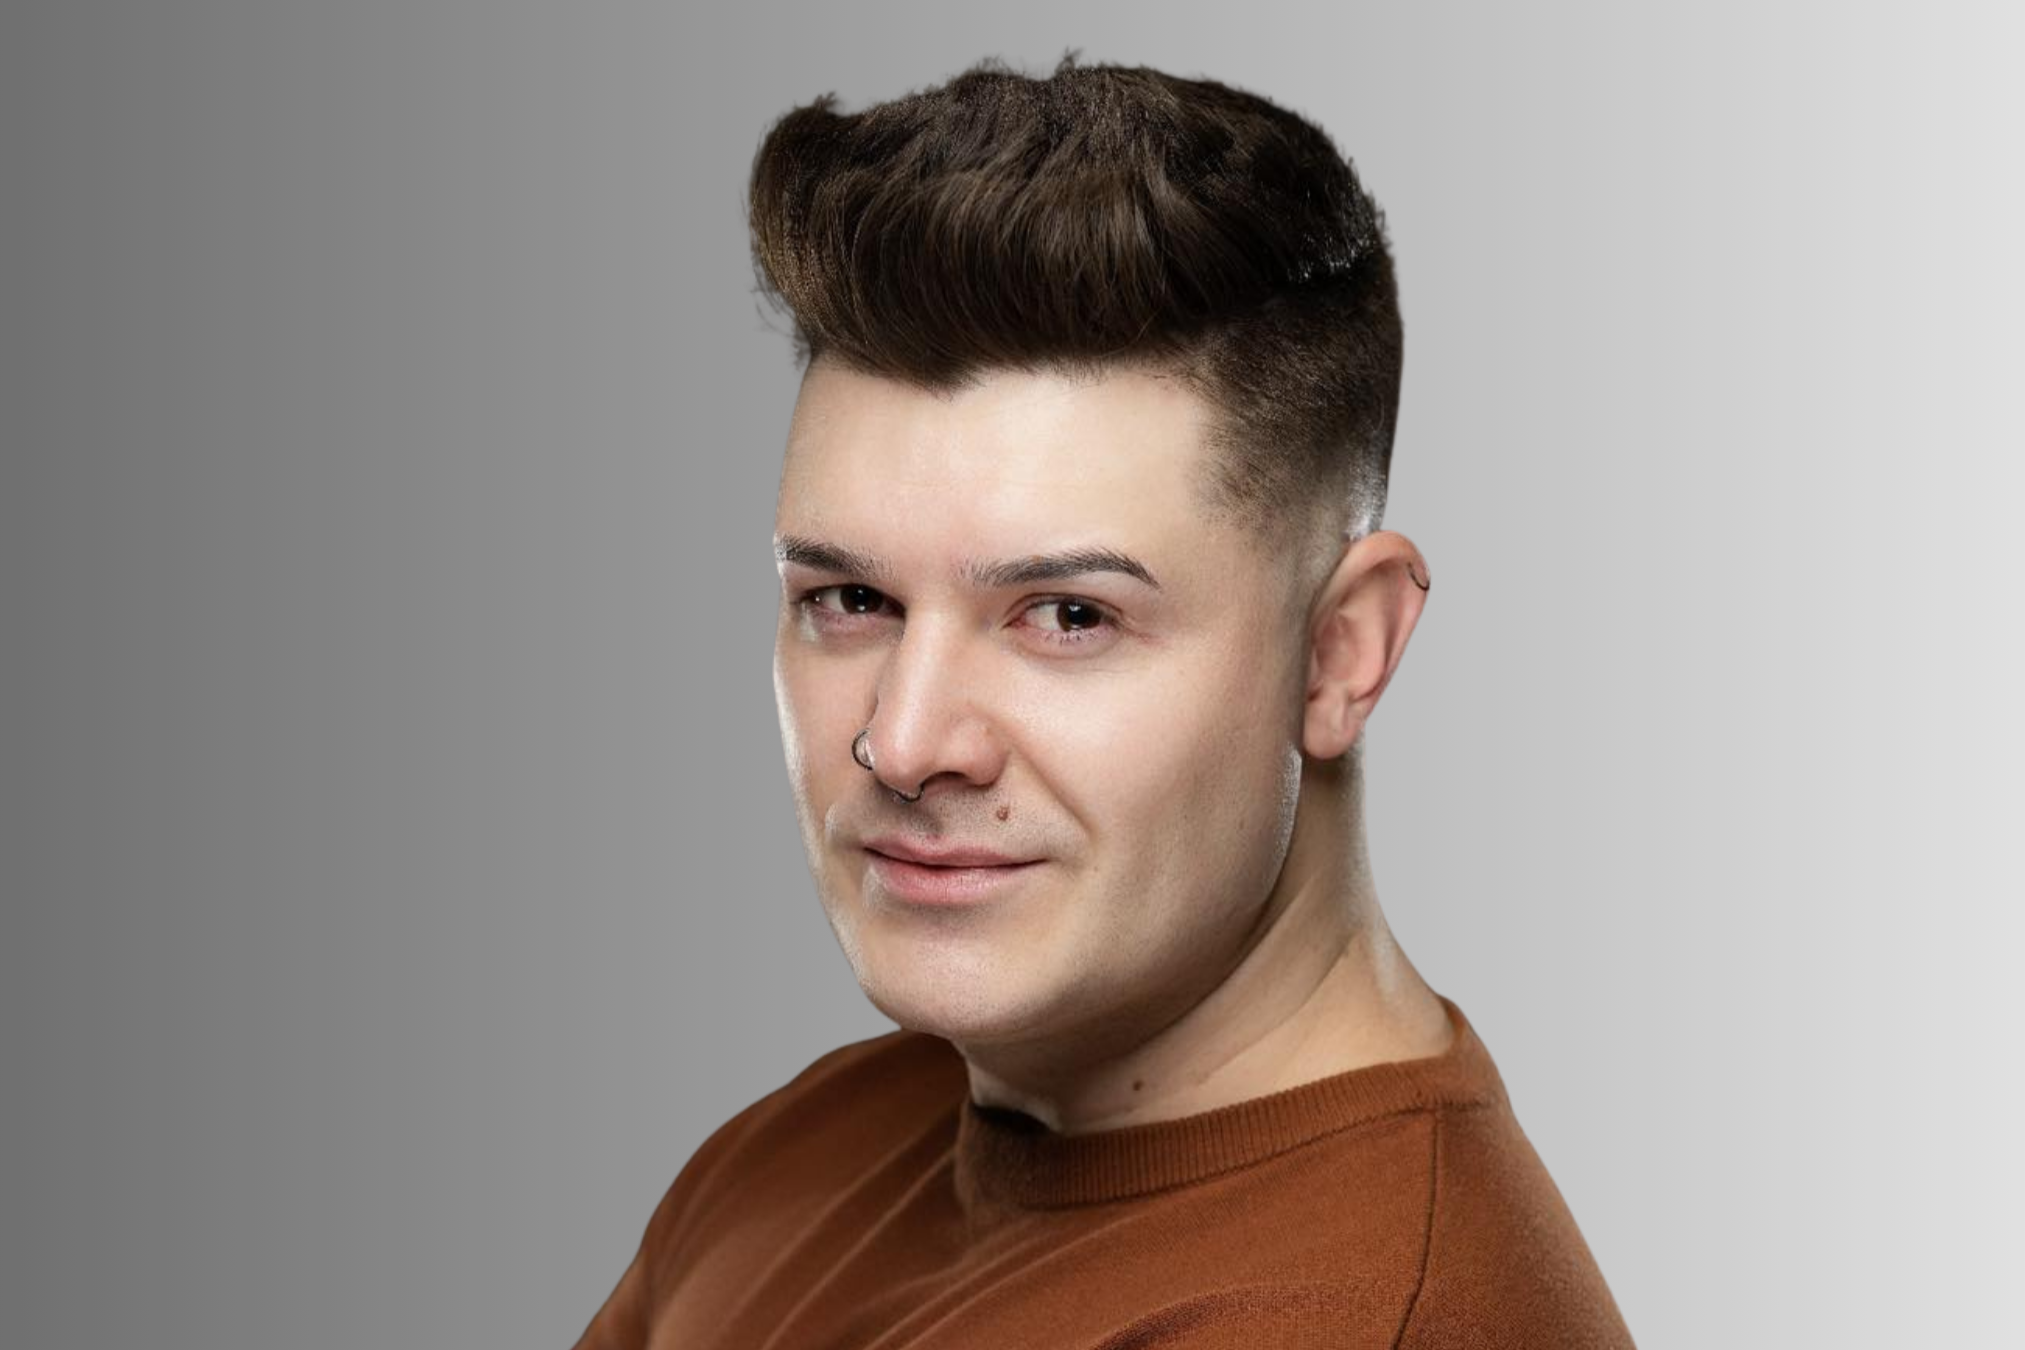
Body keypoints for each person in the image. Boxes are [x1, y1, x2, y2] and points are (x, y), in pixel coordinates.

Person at [573, 54, 1635, 1349]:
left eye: (1068, 615)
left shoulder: (1358, 1322)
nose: (902, 741)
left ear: (1342, 652)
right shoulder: (806, 1149)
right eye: (850, 599)